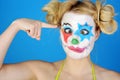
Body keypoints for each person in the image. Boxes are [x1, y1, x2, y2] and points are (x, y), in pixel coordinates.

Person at [0, 0, 120, 80]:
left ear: (96, 34)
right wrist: (14, 26)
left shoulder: (113, 78)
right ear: (60, 31)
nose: (74, 40)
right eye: (68, 30)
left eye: (84, 32)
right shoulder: (41, 72)